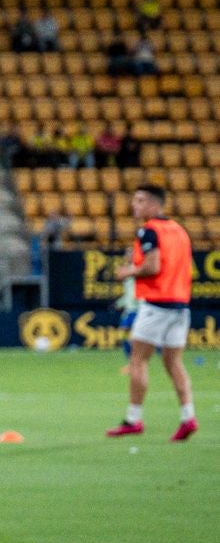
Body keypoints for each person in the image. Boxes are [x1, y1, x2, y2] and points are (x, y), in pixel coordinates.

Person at [106, 184, 197, 442]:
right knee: (173, 362)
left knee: (137, 360)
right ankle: (187, 417)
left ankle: (133, 419)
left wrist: (128, 272)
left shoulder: (149, 230)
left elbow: (152, 266)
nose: (135, 205)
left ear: (156, 205)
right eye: (134, 200)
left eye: (140, 200)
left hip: (157, 303)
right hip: (181, 305)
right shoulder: (179, 230)